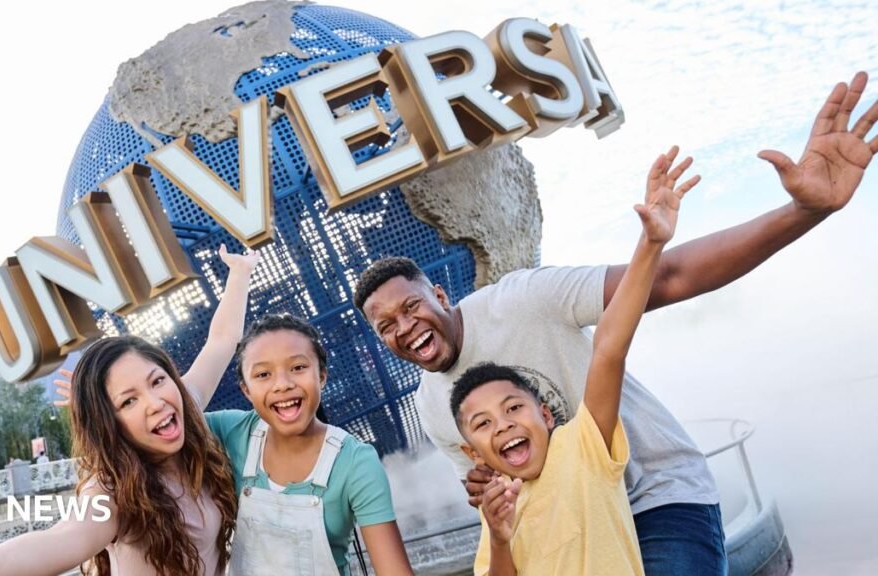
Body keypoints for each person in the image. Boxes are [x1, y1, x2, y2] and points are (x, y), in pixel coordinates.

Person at [354, 71, 878, 575]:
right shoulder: (432, 406)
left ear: (441, 295)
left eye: (411, 306)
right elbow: (497, 497)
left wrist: (804, 213)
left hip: (656, 499)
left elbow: (667, 279)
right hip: (575, 530)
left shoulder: (524, 299)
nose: (404, 326)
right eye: (385, 326)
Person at [0, 245, 255, 576]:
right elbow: (61, 540)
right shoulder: (115, 489)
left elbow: (220, 340)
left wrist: (241, 271)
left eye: (156, 381)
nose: (155, 403)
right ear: (109, 423)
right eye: (127, 401)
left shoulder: (182, 406)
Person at [453, 153, 696, 575]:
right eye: (484, 423)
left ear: (546, 414)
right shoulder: (497, 511)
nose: (505, 424)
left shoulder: (582, 447)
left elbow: (608, 348)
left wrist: (651, 244)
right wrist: (499, 537)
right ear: (474, 454)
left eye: (513, 408)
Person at [205, 313, 413, 576]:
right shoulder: (230, 432)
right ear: (246, 390)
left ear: (322, 375)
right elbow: (171, 412)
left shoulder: (355, 462)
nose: (282, 384)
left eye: (298, 368)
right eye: (263, 374)